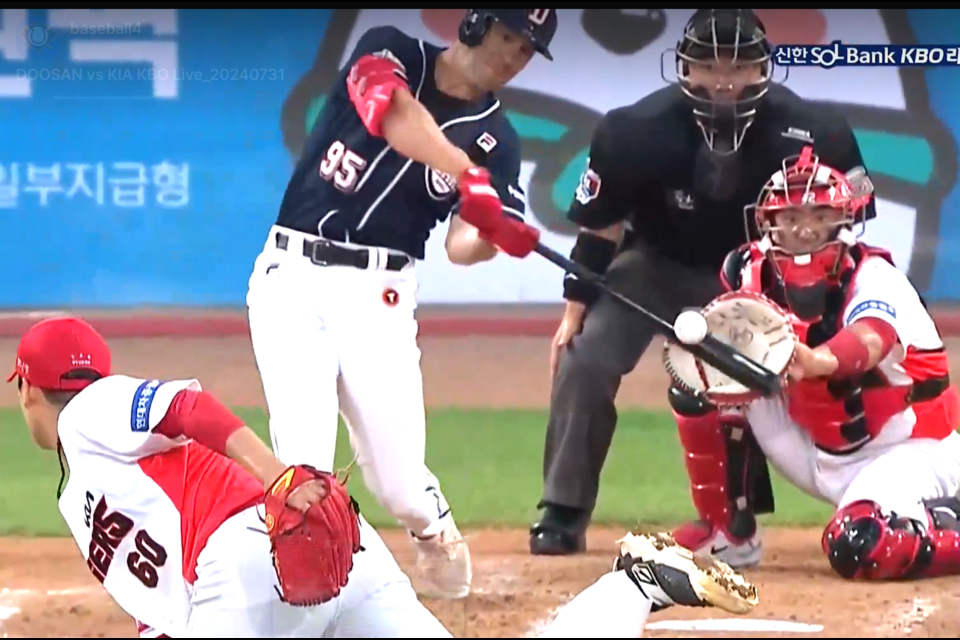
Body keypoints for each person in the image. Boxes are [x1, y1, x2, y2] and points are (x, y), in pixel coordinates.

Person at [9, 317, 759, 638]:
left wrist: (275, 475)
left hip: (248, 559)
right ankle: (634, 585)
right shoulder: (99, 473)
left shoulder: (87, 413)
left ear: (25, 388)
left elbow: (186, 404)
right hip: (326, 557)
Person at [531, 8, 877, 560]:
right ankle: (563, 509)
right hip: (652, 264)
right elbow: (601, 231)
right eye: (710, 64)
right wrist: (573, 313)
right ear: (684, 67)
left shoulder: (818, 129)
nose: (724, 79)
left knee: (762, 376)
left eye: (739, 65)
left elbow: (850, 218)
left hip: (758, 275)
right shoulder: (632, 130)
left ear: (764, 68)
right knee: (585, 357)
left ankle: (739, 517)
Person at [245, 9, 551, 598]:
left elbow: (462, 246)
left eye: (525, 50)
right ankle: (309, 591)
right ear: (476, 24)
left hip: (378, 296)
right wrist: (467, 175)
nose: (511, 55)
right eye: (507, 36)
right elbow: (390, 112)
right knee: (304, 466)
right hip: (292, 273)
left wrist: (490, 231)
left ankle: (431, 526)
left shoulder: (498, 139)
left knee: (400, 488)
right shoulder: (391, 49)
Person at [680, 147, 960, 580]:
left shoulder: (876, 277)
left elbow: (869, 339)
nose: (805, 229)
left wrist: (815, 361)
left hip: (909, 447)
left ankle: (930, 520)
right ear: (768, 223)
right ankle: (729, 531)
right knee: (707, 380)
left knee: (860, 544)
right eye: (791, 218)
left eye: (819, 215)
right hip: (814, 448)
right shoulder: (745, 272)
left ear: (845, 221)